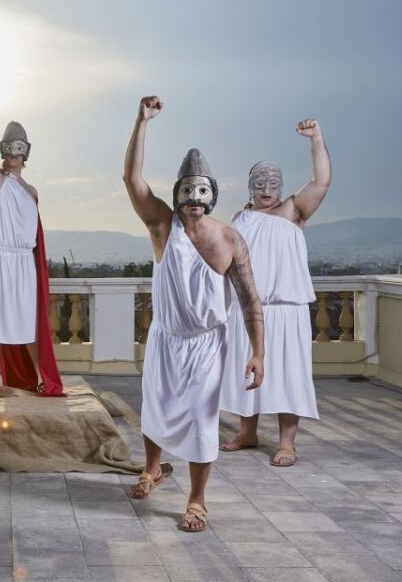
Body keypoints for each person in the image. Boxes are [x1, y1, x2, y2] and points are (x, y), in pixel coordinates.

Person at [121, 97, 265, 532]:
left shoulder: (230, 240)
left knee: (202, 418)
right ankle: (151, 469)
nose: (193, 200)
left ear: (211, 194)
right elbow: (132, 179)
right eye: (186, 192)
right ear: (178, 195)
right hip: (166, 337)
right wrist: (141, 121)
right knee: (156, 409)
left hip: (207, 343)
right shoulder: (164, 227)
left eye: (201, 192)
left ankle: (197, 499)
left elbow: (249, 300)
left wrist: (260, 352)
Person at [219, 119, 331, 467]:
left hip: (286, 309)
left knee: (287, 373)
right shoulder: (240, 217)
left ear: (281, 186)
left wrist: (316, 138)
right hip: (246, 308)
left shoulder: (292, 210)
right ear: (250, 186)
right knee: (246, 371)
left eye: (273, 183)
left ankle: (286, 443)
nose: (266, 188)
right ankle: (247, 432)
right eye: (259, 182)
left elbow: (322, 180)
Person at [0, 84, 63, 401]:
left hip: (22, 263)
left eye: (18, 148)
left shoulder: (31, 192)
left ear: (26, 152)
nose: (12, 153)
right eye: (8, 147)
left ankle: (40, 378)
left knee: (27, 323)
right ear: (3, 149)